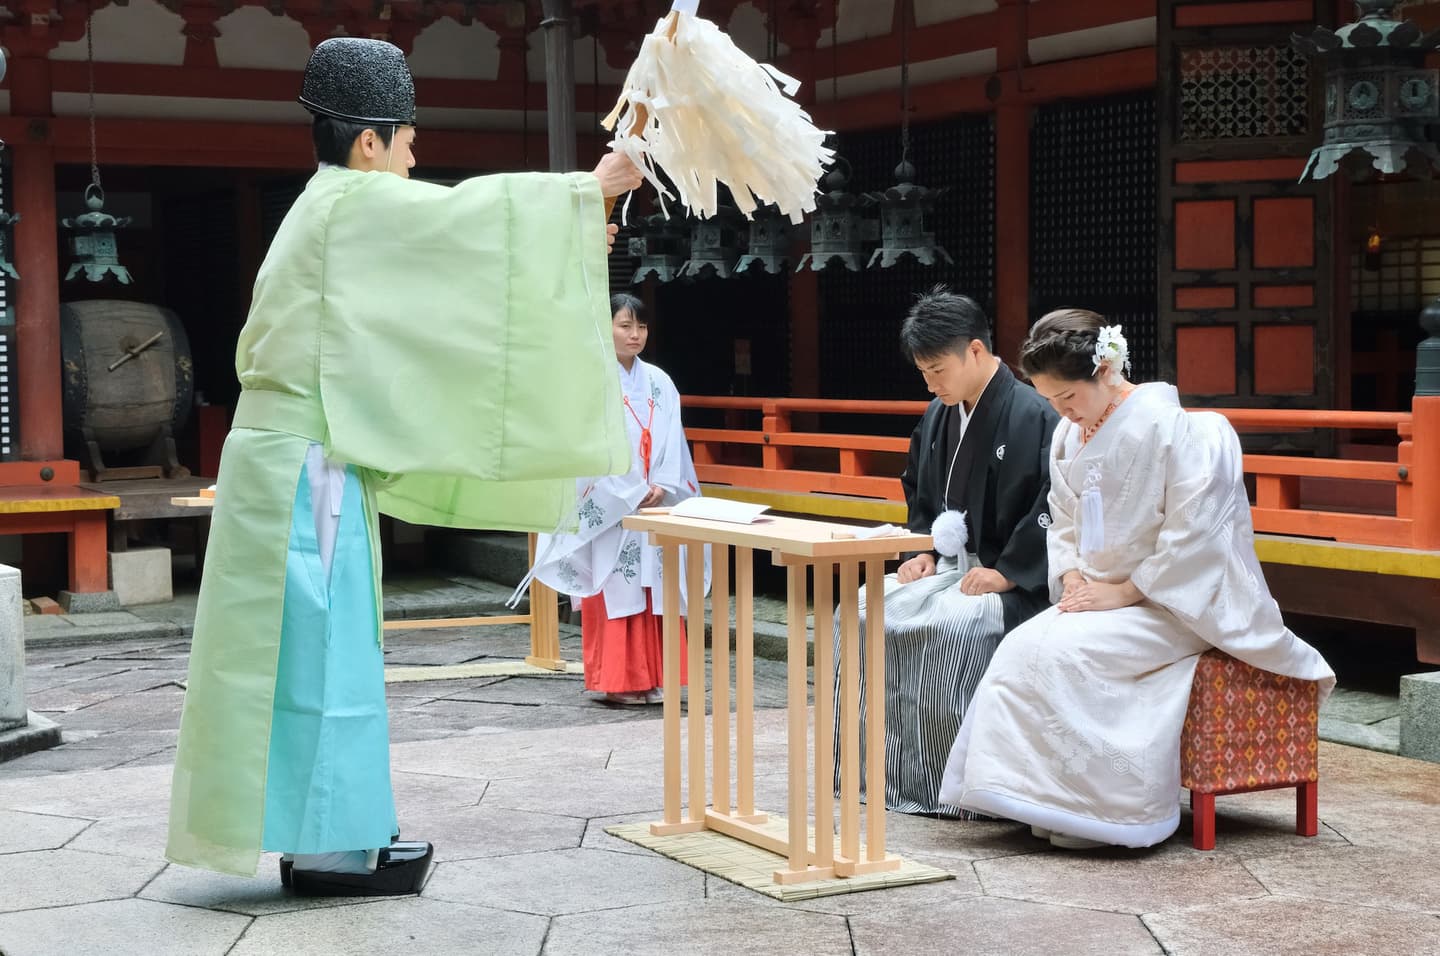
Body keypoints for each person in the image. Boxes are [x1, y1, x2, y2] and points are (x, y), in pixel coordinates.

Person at [165, 37, 645, 896]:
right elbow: (466, 226)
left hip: (294, 460)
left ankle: (332, 832)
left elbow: (443, 280)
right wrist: (589, 191)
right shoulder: (350, 203)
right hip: (303, 471)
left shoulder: (326, 209)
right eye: (409, 141)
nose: (415, 159)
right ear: (369, 140)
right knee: (319, 651)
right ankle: (328, 850)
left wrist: (573, 235)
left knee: (306, 653)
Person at [938, 309, 1336, 849]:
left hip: (1175, 602)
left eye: (1068, 396)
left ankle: (1109, 813)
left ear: (1105, 369)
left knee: (1068, 656)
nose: (1061, 411)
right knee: (1022, 647)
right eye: (1051, 400)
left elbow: (1196, 530)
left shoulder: (1178, 430)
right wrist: (1071, 575)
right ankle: (1045, 803)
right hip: (1099, 595)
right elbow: (1062, 518)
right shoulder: (1068, 435)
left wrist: (1127, 591)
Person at [835, 289, 1058, 817]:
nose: (931, 384)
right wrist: (923, 552)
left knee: (954, 628)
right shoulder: (939, 414)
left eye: (938, 370)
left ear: (975, 351)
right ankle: (879, 772)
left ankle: (953, 783)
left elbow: (1053, 501)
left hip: (1012, 579)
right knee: (863, 607)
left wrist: (1008, 572)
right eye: (924, 373)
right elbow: (920, 488)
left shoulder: (1033, 413)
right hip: (951, 566)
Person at [525, 294, 704, 705]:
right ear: (606, 328)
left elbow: (673, 439)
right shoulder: (590, 381)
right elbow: (585, 447)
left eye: (641, 326)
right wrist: (629, 489)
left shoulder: (660, 381)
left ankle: (657, 678)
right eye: (625, 325)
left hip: (654, 499)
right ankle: (620, 681)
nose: (635, 334)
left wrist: (662, 483)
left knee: (656, 588)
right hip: (611, 503)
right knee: (616, 585)